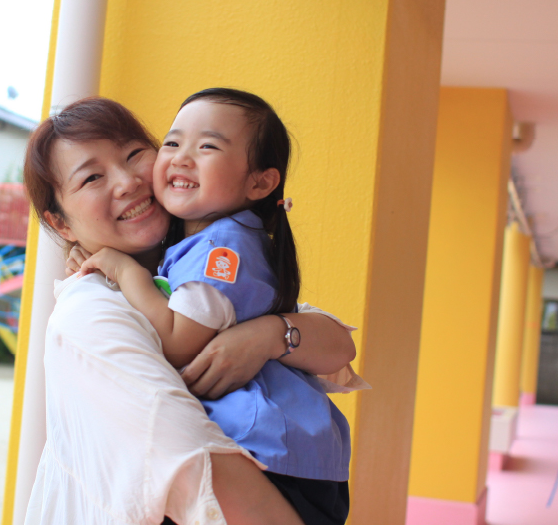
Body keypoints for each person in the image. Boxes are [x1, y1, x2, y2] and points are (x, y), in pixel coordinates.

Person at [22, 97, 361, 525]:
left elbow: (338, 346)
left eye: (134, 155)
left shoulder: (206, 256)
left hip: (285, 468)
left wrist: (269, 335)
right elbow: (188, 455)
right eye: (92, 177)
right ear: (61, 224)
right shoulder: (90, 312)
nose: (127, 181)